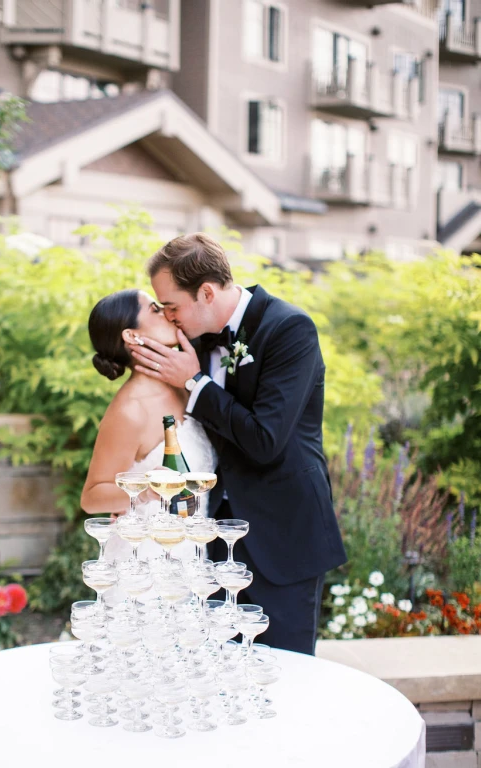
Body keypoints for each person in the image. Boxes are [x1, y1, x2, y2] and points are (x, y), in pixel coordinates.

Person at [128, 232, 347, 655]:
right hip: (210, 543)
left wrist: (195, 382)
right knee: (216, 676)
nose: (170, 318)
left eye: (172, 306)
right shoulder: (191, 338)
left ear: (206, 292)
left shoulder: (289, 330)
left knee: (282, 676)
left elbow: (266, 440)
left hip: (281, 536)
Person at [80, 288, 216, 564]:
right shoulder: (130, 410)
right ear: (131, 335)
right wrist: (145, 489)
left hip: (195, 555)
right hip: (146, 561)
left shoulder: (186, 385)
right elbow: (91, 497)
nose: (167, 312)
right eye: (155, 309)